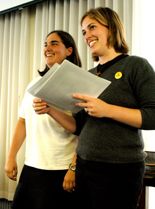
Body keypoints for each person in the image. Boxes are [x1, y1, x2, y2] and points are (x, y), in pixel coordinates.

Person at [32, 7, 155, 209]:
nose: (87, 35)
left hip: (120, 169)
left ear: (112, 28)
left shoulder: (136, 66)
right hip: (85, 166)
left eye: (92, 27)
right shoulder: (86, 74)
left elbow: (153, 116)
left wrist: (108, 109)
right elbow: (78, 127)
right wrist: (50, 110)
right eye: (83, 31)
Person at [5, 30, 82, 209]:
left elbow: (85, 130)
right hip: (32, 166)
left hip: (61, 169)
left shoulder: (79, 84)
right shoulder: (34, 84)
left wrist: (73, 168)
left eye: (54, 43)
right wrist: (11, 157)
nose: (47, 48)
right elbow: (22, 121)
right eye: (45, 44)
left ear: (69, 50)